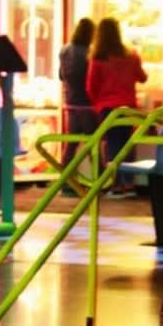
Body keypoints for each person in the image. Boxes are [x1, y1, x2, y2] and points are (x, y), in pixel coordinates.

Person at [86, 17, 147, 197]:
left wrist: (97, 104)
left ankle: (115, 184)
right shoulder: (131, 56)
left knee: (112, 144)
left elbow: (91, 87)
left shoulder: (97, 59)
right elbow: (142, 77)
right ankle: (129, 183)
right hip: (127, 106)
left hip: (107, 108)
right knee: (127, 143)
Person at [59, 17, 96, 180]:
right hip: (88, 104)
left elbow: (61, 75)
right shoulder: (90, 53)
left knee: (71, 143)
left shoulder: (65, 50)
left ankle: (65, 178)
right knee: (91, 144)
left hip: (71, 102)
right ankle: (100, 178)